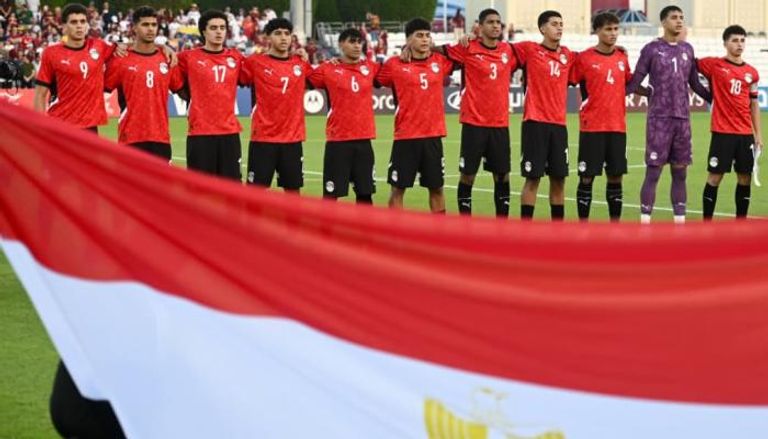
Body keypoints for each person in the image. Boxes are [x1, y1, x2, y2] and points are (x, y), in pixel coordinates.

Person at [626, 5, 711, 224]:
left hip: (683, 120)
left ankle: (679, 224)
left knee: (680, 173)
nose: (679, 21)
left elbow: (695, 83)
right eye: (674, 17)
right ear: (663, 22)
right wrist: (622, 93)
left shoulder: (688, 49)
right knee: (653, 172)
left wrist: (715, 99)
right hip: (659, 120)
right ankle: (645, 223)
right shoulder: (651, 49)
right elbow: (635, 81)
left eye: (681, 17)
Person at [444, 8, 517, 217]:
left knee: (502, 176)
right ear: (480, 26)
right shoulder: (468, 48)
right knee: (468, 175)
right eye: (490, 22)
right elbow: (438, 51)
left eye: (498, 22)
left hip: (499, 124)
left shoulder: (509, 50)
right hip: (474, 124)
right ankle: (465, 224)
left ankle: (501, 226)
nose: (496, 26)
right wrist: (408, 49)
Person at [376, 18, 454, 213]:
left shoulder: (440, 62)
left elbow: (463, 55)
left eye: (427, 35)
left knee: (437, 189)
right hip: (406, 137)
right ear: (408, 39)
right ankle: (396, 229)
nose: (425, 39)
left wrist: (436, 48)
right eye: (419, 35)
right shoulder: (394, 64)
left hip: (433, 136)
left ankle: (440, 229)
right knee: (397, 189)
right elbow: (373, 78)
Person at [569, 12, 632, 221]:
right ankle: (583, 227)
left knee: (616, 177)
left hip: (617, 127)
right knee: (586, 177)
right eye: (608, 29)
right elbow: (567, 78)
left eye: (615, 29)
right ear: (597, 31)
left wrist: (654, 91)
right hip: (592, 127)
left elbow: (629, 82)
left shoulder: (622, 57)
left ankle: (615, 226)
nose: (613, 33)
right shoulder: (584, 58)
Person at [514, 10, 575, 220]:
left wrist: (616, 49)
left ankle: (557, 231)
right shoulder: (529, 50)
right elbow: (498, 48)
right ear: (542, 28)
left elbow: (591, 58)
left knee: (559, 179)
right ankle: (526, 230)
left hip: (559, 125)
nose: (559, 27)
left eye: (561, 24)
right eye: (554, 24)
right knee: (533, 179)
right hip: (535, 123)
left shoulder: (568, 55)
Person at [698, 25, 762, 220]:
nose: (739, 44)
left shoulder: (752, 72)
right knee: (715, 177)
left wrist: (758, 135)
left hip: (745, 134)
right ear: (725, 43)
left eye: (742, 40)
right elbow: (688, 62)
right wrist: (706, 93)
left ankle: (740, 223)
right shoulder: (713, 65)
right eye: (735, 40)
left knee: (745, 178)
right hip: (722, 133)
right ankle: (706, 223)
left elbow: (754, 104)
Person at [308, 28, 379, 203]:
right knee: (331, 196)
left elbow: (393, 71)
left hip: (364, 141)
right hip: (338, 141)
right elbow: (303, 79)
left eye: (359, 42)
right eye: (352, 41)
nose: (357, 46)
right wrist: (302, 58)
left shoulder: (370, 67)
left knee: (365, 195)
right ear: (341, 44)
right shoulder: (327, 68)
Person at [241, 18, 311, 193]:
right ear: (268, 37)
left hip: (292, 140)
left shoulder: (301, 63)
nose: (283, 37)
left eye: (287, 33)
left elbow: (321, 78)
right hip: (263, 139)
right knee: (255, 192)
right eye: (278, 33)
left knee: (293, 192)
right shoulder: (255, 62)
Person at [104, 6, 183, 161]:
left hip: (161, 138)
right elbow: (101, 87)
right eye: (145, 24)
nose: (151, 29)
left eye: (154, 25)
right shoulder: (121, 59)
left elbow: (181, 90)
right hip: (130, 137)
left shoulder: (167, 59)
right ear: (134, 28)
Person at [177, 9, 245, 180]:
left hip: (229, 133)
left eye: (222, 28)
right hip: (200, 133)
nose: (219, 32)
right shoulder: (188, 57)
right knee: (200, 188)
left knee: (231, 187)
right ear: (203, 31)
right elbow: (169, 72)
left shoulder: (236, 57)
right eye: (213, 28)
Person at [33, 3, 116, 131]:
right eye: (74, 22)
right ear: (64, 27)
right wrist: (40, 127)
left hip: (90, 126)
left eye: (83, 21)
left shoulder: (99, 46)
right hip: (60, 125)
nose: (79, 26)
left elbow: (126, 50)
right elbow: (40, 94)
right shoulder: (51, 53)